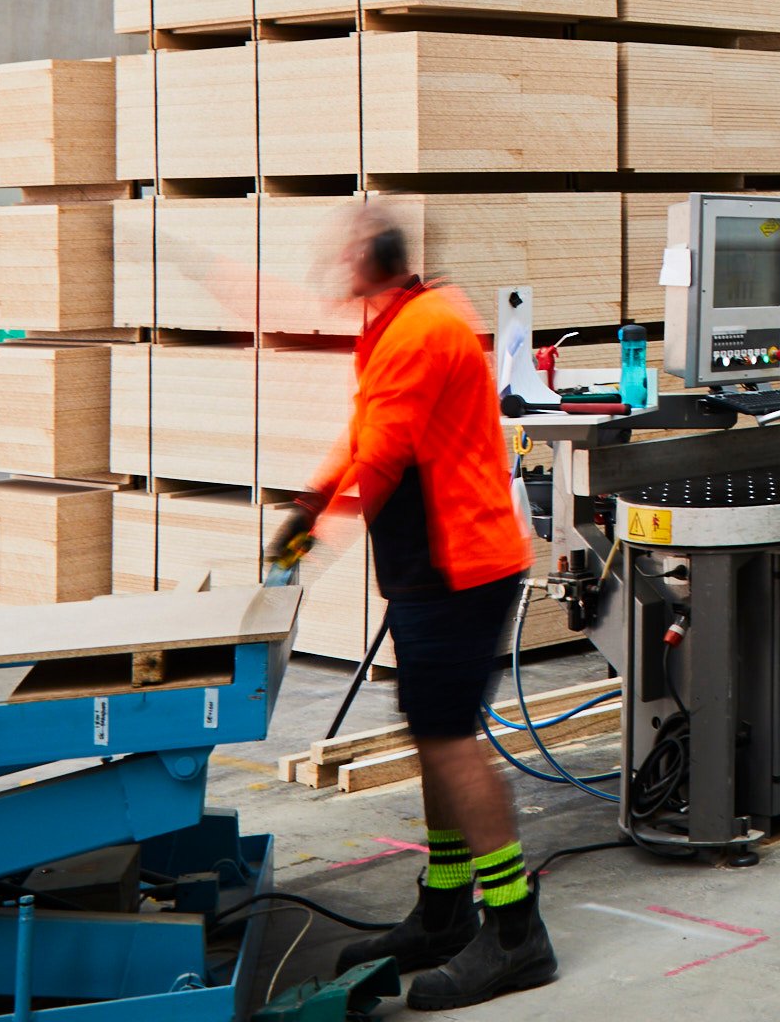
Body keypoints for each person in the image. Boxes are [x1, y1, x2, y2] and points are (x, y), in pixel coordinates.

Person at [267, 201, 555, 1006]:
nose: (337, 264)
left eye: (348, 251)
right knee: (435, 732)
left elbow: (384, 458)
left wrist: (306, 543)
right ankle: (444, 907)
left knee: (450, 742)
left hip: (460, 568)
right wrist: (305, 507)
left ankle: (513, 930)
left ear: (376, 260)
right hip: (438, 569)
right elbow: (366, 434)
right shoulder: (401, 322)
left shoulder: (422, 329)